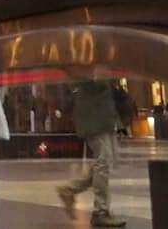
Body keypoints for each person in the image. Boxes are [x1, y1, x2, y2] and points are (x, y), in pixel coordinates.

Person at [58, 77, 126, 227]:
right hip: (94, 116)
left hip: (104, 115)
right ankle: (101, 211)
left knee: (107, 161)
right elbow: (98, 80)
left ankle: (69, 189)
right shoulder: (90, 60)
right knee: (104, 161)